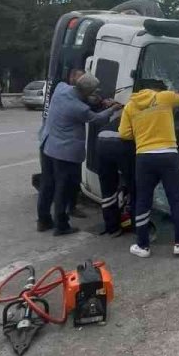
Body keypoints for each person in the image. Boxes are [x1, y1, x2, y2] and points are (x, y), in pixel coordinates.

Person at [121, 77, 179, 258]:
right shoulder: (164, 97)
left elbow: (124, 134)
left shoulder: (130, 106)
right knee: (175, 199)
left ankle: (143, 246)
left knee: (143, 200)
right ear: (155, 89)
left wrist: (142, 135)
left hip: (144, 157)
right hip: (168, 155)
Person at [37, 71, 117, 235]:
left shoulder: (61, 88)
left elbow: (82, 98)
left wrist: (98, 101)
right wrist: (112, 108)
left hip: (48, 145)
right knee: (63, 188)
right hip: (65, 153)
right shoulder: (78, 108)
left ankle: (43, 221)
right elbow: (97, 119)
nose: (95, 94)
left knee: (47, 185)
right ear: (87, 92)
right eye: (94, 91)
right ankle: (61, 225)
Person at [95, 109, 136, 236]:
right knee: (135, 186)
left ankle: (112, 228)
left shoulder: (127, 109)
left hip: (101, 139)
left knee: (107, 188)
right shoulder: (146, 112)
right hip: (121, 142)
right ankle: (137, 225)